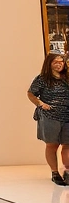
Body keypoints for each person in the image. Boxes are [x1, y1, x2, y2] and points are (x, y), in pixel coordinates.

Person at [27, 53, 69, 185]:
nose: (59, 64)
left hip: (67, 115)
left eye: (61, 62)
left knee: (67, 144)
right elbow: (31, 93)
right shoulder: (42, 79)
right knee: (52, 145)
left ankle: (67, 171)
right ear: (49, 64)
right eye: (56, 62)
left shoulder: (67, 78)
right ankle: (55, 172)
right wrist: (40, 104)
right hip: (50, 116)